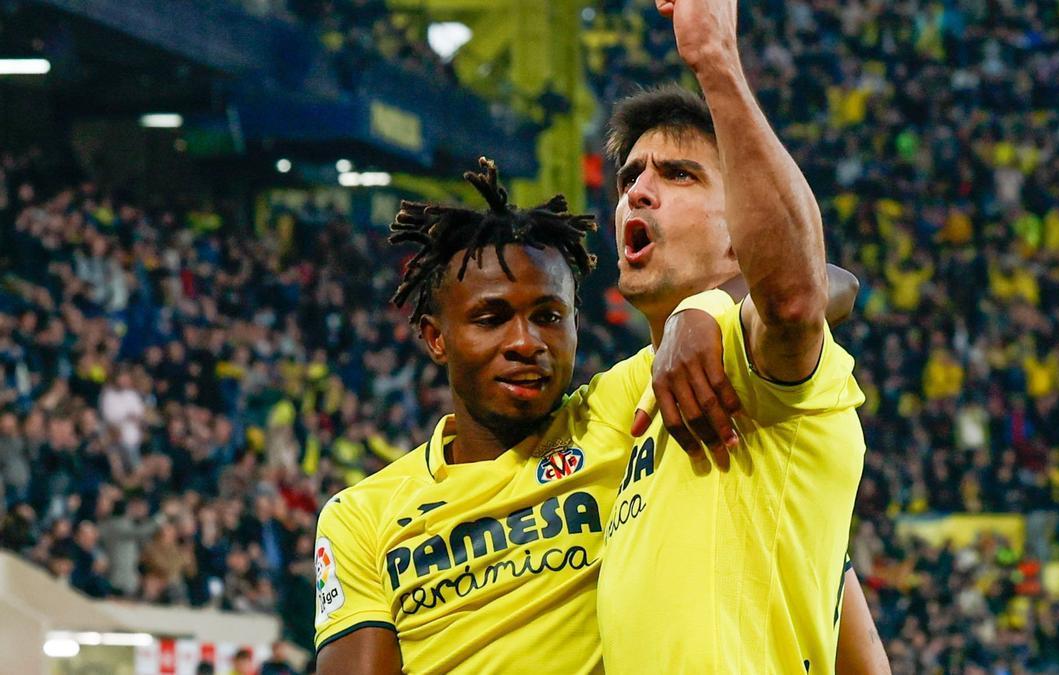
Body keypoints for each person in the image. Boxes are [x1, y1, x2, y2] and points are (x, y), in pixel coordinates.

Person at [312, 160, 860, 673]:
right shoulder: (362, 516)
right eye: (491, 317)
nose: (525, 342)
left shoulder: (621, 413)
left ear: (576, 325)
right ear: (437, 337)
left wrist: (701, 310)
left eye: (548, 316)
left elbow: (822, 283)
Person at [594, 0, 884, 673]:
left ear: (741, 227)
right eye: (630, 175)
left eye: (678, 174)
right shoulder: (615, 400)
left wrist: (715, 61)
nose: (638, 190)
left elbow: (796, 295)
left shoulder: (756, 358)